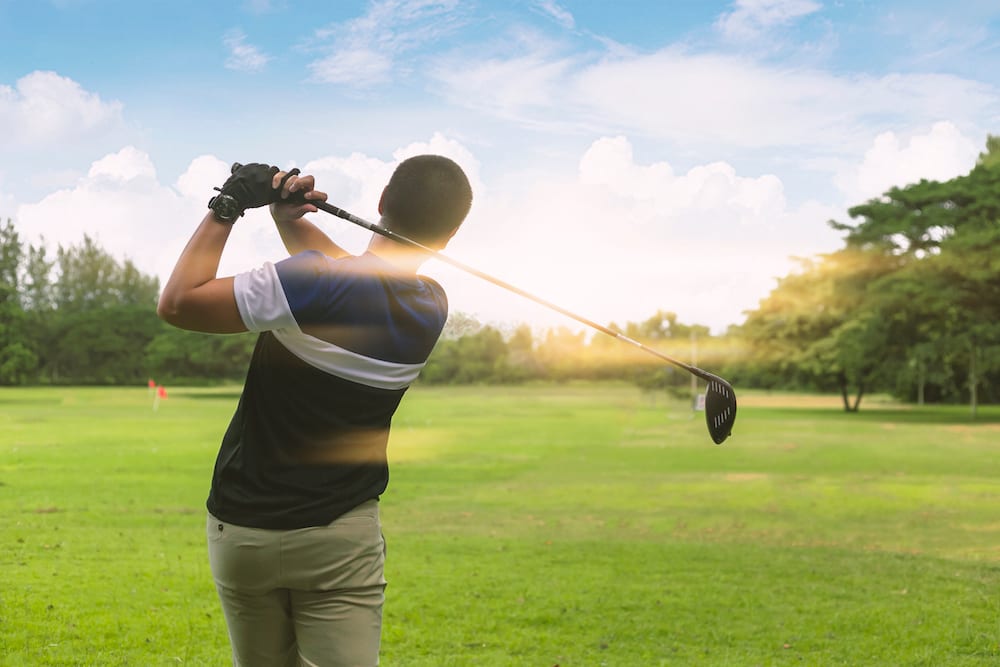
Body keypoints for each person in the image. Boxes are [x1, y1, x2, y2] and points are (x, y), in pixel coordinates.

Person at [157, 155, 473, 666]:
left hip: (244, 533)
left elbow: (178, 303)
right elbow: (349, 279)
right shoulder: (429, 306)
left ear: (382, 203)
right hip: (341, 541)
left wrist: (229, 203)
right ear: (450, 235)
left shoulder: (311, 283)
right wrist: (291, 220)